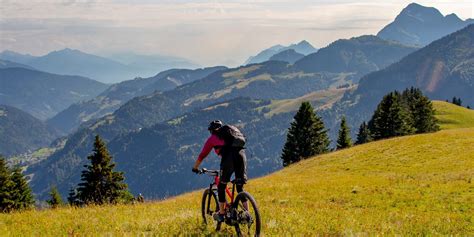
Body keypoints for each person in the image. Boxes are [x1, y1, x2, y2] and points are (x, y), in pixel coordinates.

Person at [192, 120, 248, 222]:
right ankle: (246, 214)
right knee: (240, 187)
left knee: (221, 186)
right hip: (241, 155)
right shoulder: (231, 133)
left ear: (211, 131)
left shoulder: (213, 138)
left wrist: (195, 168)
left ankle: (222, 213)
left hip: (228, 159)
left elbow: (202, 155)